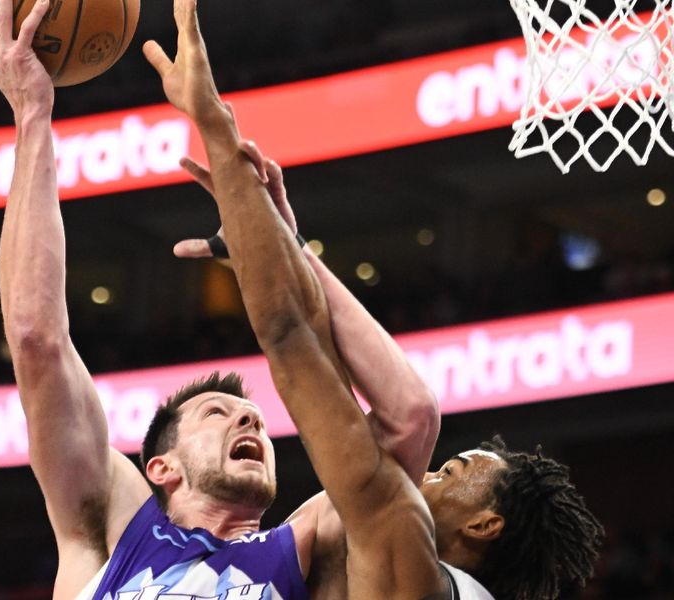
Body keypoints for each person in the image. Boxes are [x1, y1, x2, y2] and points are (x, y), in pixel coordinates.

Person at [0, 0, 439, 598]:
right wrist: (32, 114)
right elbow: (36, 338)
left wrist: (288, 249)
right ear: (161, 469)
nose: (250, 419)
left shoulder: (311, 546)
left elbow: (410, 418)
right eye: (220, 414)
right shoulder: (109, 537)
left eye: (251, 420)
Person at [144, 1, 605, 597]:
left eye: (448, 472)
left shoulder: (406, 559)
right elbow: (376, 393)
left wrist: (215, 127)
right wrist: (279, 243)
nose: (426, 473)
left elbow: (304, 347)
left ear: (484, 523)